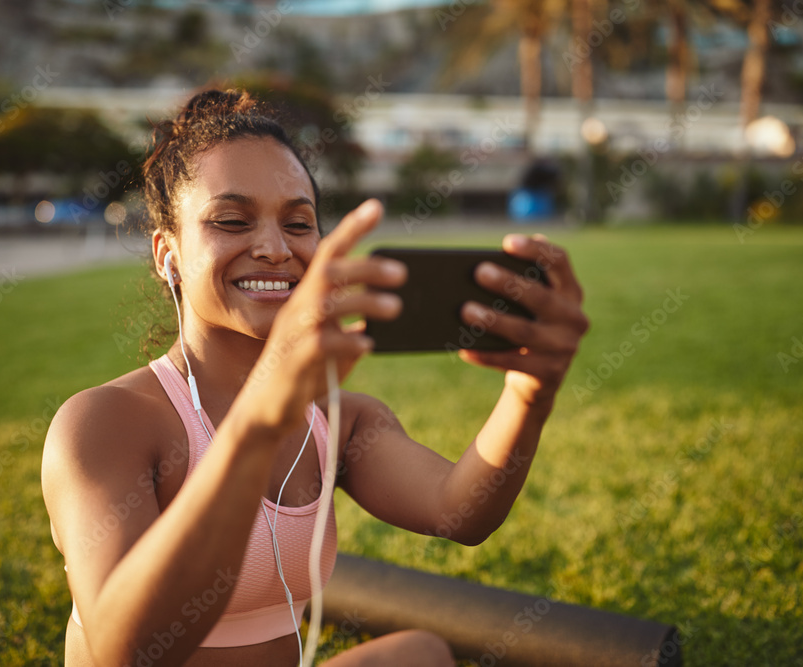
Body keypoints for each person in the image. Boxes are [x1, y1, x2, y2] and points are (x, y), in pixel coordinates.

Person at [41, 87, 589, 667]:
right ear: (167, 253)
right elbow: (123, 653)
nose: (276, 249)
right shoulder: (104, 423)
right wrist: (262, 415)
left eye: (299, 224)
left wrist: (531, 393)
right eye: (232, 220)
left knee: (420, 655)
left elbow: (461, 512)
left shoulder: (341, 421)